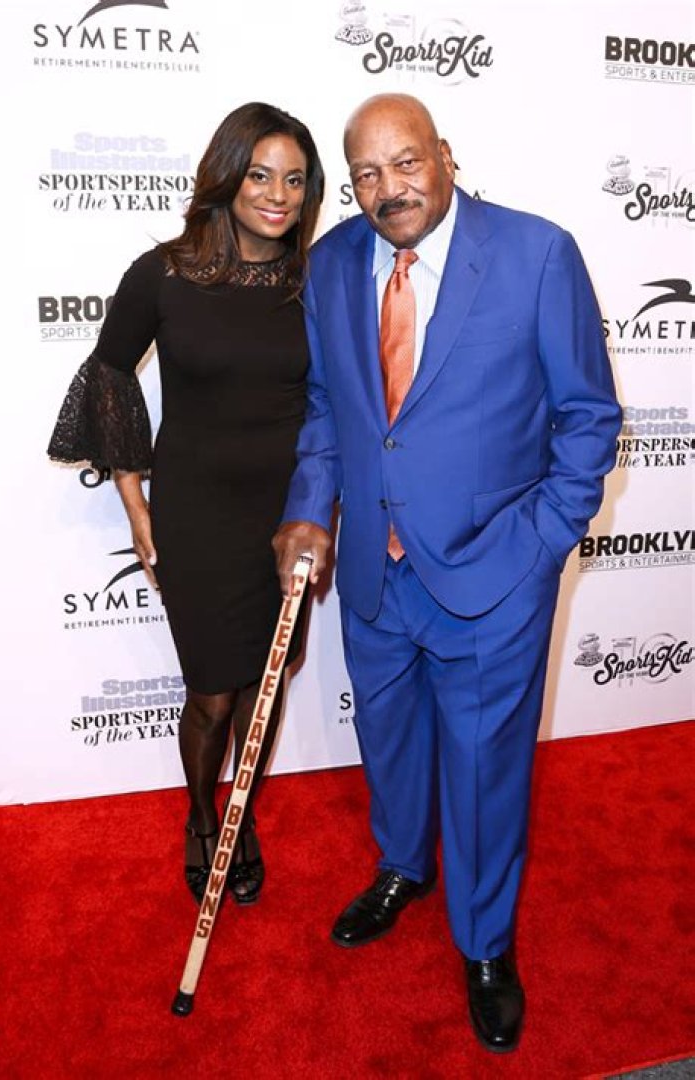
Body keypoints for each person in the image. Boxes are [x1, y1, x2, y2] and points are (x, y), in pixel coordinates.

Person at [273, 93, 621, 1053]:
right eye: (367, 174)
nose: (390, 189)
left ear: (447, 155)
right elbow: (327, 407)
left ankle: (484, 941)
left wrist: (542, 542)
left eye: (407, 162)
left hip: (494, 574)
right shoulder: (331, 263)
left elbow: (588, 415)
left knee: (483, 768)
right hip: (374, 574)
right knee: (388, 741)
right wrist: (310, 507)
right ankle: (403, 868)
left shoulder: (537, 254)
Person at [49, 102, 324, 907]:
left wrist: (322, 507)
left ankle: (242, 815)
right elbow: (109, 374)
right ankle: (203, 819)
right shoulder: (163, 273)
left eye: (295, 181)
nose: (277, 195)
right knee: (211, 690)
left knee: (264, 684)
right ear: (227, 176)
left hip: (286, 516)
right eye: (261, 175)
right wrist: (135, 505)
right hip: (197, 513)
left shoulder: (314, 282)